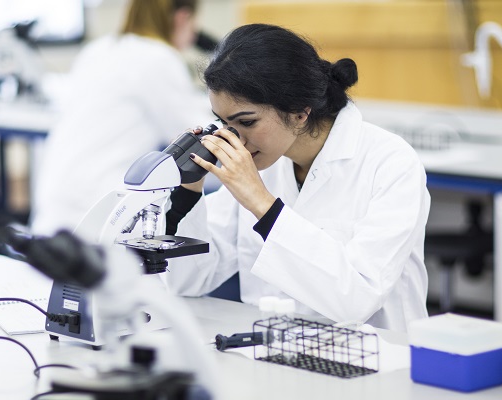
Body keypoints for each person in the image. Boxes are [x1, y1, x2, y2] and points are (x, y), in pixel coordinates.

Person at [162, 24, 431, 332]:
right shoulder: (267, 162)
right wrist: (188, 191)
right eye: (222, 122)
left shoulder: (390, 163)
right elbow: (188, 282)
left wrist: (263, 206)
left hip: (376, 362)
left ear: (299, 112)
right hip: (274, 355)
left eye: (246, 121)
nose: (232, 138)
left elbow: (357, 300)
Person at [30, 0, 212, 235]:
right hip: (100, 209)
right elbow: (195, 134)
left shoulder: (98, 48)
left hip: (54, 202)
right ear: (182, 18)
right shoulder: (158, 58)